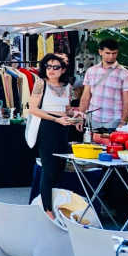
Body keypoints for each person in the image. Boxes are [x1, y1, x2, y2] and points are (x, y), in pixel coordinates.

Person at [29, 53, 79, 219]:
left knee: (59, 167)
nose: (51, 70)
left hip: (63, 128)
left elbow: (67, 109)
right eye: (48, 66)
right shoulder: (40, 83)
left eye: (55, 67)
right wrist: (56, 118)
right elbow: (33, 109)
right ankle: (47, 209)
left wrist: (76, 117)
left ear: (63, 69)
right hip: (47, 127)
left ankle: (53, 204)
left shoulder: (67, 86)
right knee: (49, 168)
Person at [78, 38, 128, 133]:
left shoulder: (125, 74)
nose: (111, 56)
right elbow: (85, 96)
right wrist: (80, 116)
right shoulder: (91, 71)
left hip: (114, 121)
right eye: (108, 53)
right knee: (91, 147)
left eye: (114, 53)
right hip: (93, 119)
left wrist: (123, 122)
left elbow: (127, 100)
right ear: (100, 52)